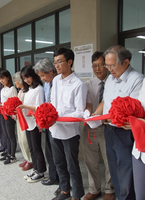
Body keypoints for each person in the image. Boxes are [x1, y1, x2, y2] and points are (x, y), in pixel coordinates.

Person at [94, 45, 144, 200]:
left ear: (126, 62)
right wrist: (95, 114)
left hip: (125, 133)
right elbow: (105, 101)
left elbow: (132, 112)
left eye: (112, 65)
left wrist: (107, 118)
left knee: (126, 173)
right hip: (109, 130)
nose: (108, 69)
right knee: (114, 169)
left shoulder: (137, 80)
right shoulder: (110, 78)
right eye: (106, 65)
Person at [49, 48, 87, 200]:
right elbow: (52, 103)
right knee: (59, 163)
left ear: (70, 62)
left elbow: (79, 112)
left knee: (72, 166)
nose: (56, 65)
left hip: (70, 132)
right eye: (55, 62)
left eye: (60, 62)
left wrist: (57, 117)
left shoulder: (79, 84)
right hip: (54, 130)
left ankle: (77, 195)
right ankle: (65, 190)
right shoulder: (56, 80)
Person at [83, 52, 114, 200]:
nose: (98, 69)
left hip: (108, 126)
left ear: (106, 65)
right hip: (91, 126)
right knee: (90, 160)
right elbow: (88, 104)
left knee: (109, 160)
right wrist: (88, 114)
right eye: (95, 66)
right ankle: (94, 189)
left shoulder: (113, 82)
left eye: (101, 65)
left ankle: (109, 189)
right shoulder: (88, 84)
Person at [33, 58, 59, 186]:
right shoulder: (47, 83)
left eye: (43, 75)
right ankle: (53, 176)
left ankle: (60, 179)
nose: (42, 78)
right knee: (49, 150)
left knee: (57, 153)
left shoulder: (59, 83)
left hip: (58, 123)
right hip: (47, 122)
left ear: (50, 71)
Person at [19, 65, 46, 183]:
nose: (26, 80)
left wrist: (25, 107)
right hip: (28, 122)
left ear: (33, 75)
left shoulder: (39, 88)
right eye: (24, 79)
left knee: (36, 148)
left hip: (35, 122)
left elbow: (39, 106)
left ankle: (41, 172)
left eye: (28, 77)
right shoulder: (28, 89)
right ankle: (35, 168)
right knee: (31, 148)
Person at [13, 72, 33, 171]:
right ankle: (26, 157)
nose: (15, 82)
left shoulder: (26, 91)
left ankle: (30, 160)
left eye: (16, 80)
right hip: (18, 117)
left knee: (25, 140)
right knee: (20, 139)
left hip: (25, 118)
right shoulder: (20, 91)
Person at [0, 69, 17, 165]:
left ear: (8, 78)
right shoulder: (3, 89)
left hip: (10, 115)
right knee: (6, 134)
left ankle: (12, 156)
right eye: (0, 79)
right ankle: (8, 152)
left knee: (11, 136)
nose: (1, 80)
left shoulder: (12, 89)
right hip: (3, 113)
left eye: (3, 78)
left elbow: (14, 103)